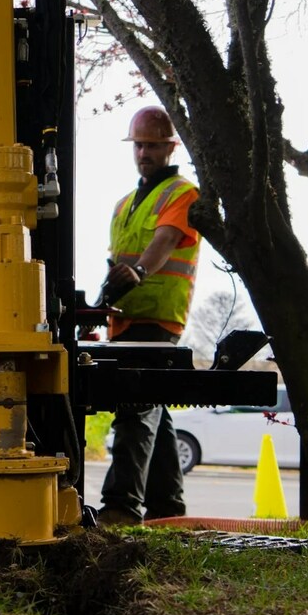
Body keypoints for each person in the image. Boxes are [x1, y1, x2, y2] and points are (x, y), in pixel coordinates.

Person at [97, 105, 201, 526]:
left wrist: (139, 271)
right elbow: (114, 265)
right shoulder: (124, 204)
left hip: (158, 317)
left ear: (170, 147)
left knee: (136, 409)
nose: (144, 152)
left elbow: (165, 241)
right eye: (139, 144)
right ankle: (167, 509)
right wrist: (98, 308)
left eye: (153, 145)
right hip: (125, 319)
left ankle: (121, 506)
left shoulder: (181, 194)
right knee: (152, 409)